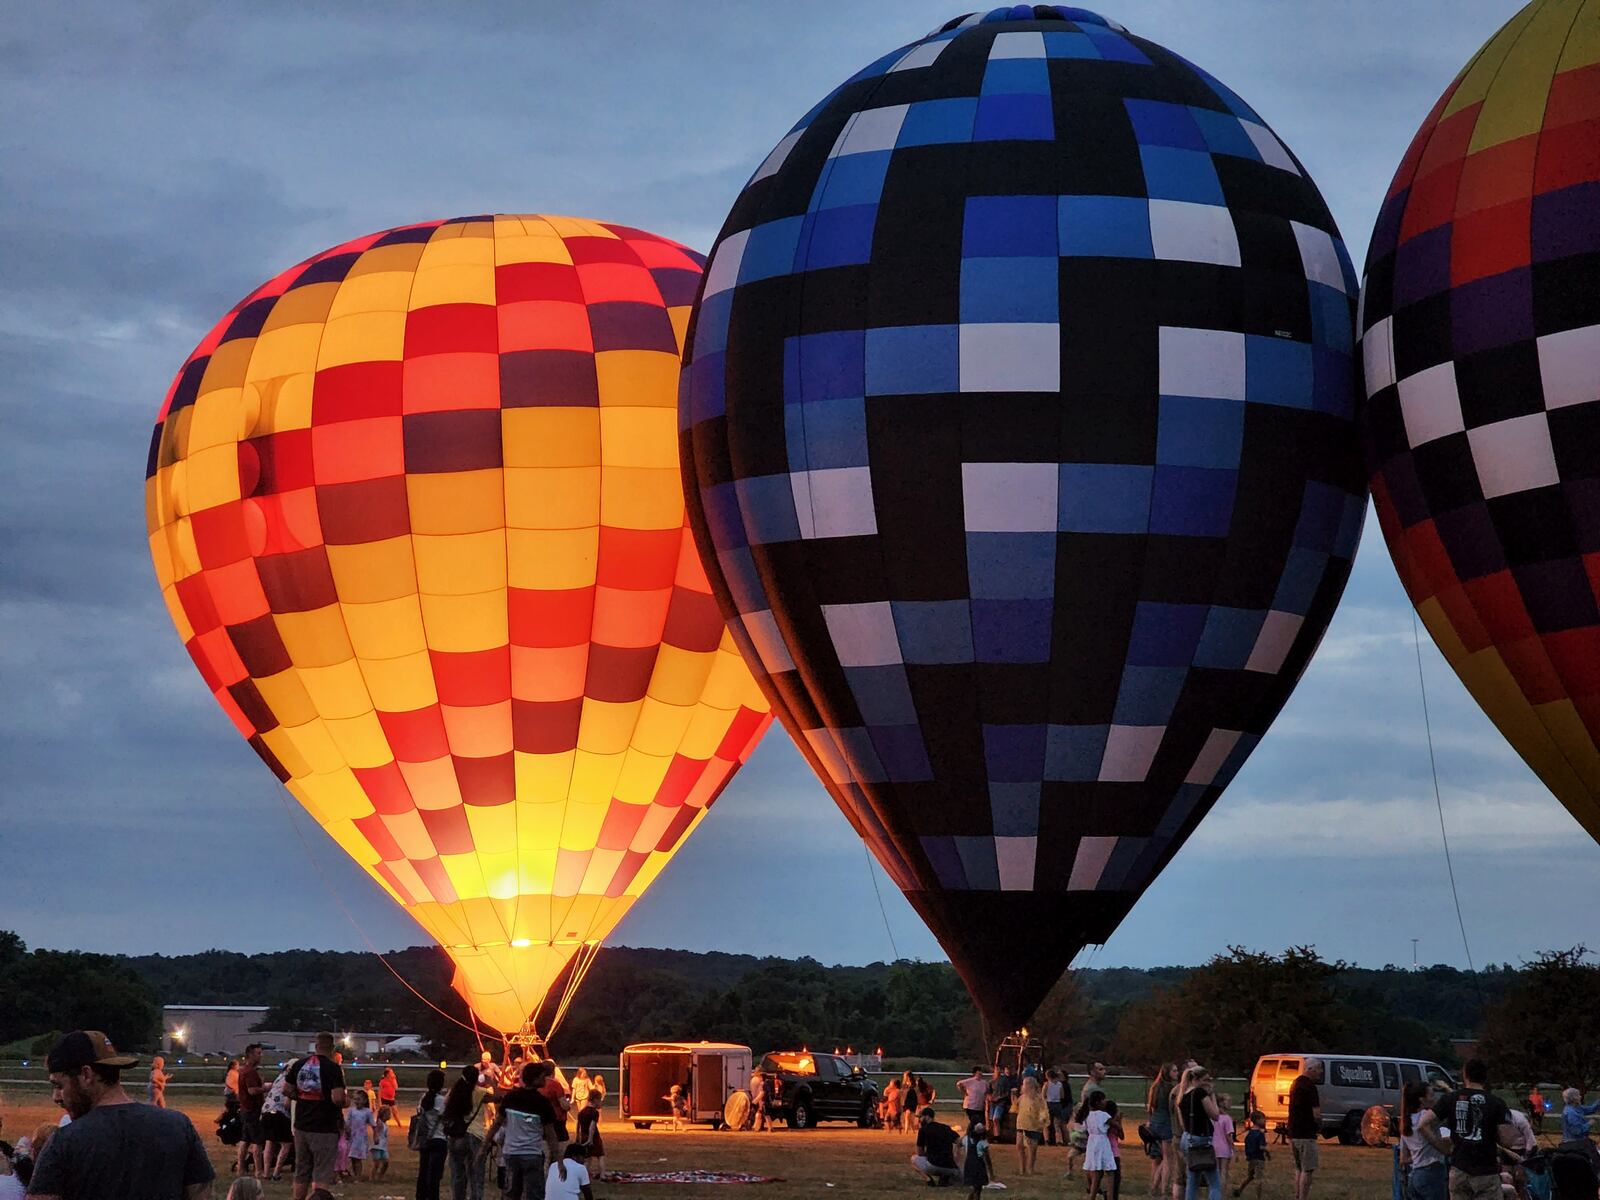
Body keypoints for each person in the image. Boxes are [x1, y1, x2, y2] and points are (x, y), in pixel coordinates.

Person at [26, 1029, 215, 1200]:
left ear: (86, 1075)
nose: (56, 1097)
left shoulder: (64, 1142)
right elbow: (201, 1193)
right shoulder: (178, 1126)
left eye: (59, 1086)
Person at [1432, 1058, 1516, 1200]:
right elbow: (1508, 1139)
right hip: (1486, 1171)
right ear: (1485, 1077)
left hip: (1459, 1168)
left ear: (1465, 1075)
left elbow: (1423, 1124)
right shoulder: (1496, 1103)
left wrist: (1440, 1146)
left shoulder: (1451, 1098)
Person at [480, 1062, 563, 1200]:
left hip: (511, 1153)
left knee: (512, 1193)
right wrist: (559, 1160)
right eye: (542, 1077)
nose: (545, 1080)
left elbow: (497, 1124)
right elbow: (551, 1135)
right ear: (534, 1079)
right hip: (532, 1153)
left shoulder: (511, 1097)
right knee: (534, 1193)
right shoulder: (542, 1103)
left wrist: (484, 1145)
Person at [284, 1033, 346, 1200]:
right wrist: (343, 1103)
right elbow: (338, 1098)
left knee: (301, 1170)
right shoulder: (333, 1068)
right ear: (332, 1049)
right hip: (324, 1127)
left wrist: (303, 1098)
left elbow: (286, 1090)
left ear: (316, 1047)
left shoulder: (299, 1064)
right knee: (322, 1171)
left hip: (302, 1125)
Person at [443, 1062, 491, 1200]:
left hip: (457, 1134)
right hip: (475, 1133)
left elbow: (445, 1104)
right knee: (476, 1173)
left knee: (458, 1172)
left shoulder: (456, 1090)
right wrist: (490, 1080)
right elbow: (499, 1096)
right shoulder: (480, 1093)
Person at [1178, 1065, 1222, 1200]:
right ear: (1196, 1079)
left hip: (1187, 1138)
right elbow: (1215, 1115)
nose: (1208, 1083)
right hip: (1201, 1139)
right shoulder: (1200, 1093)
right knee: (1214, 1182)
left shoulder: (1183, 1096)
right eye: (1206, 1080)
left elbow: (1182, 1123)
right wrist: (1212, 1095)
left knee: (1192, 1180)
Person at [1400, 1082, 1450, 1200]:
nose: (1435, 1099)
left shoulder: (1406, 1122)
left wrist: (1419, 1155)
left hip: (1415, 1176)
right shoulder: (1427, 1118)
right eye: (1432, 1095)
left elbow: (1404, 1158)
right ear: (1422, 1100)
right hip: (1432, 1174)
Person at [1287, 1057, 1323, 1200]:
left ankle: (1297, 1195)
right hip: (1306, 1133)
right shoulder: (1310, 1087)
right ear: (1310, 1069)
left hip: (1294, 1132)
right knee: (1307, 1169)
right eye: (1318, 1068)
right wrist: (1319, 1125)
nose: (1320, 1072)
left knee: (1298, 1167)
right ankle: (1303, 1197)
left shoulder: (1295, 1084)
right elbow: (1316, 1112)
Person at [414, 1067, 449, 1200]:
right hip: (439, 1139)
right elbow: (446, 1118)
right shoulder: (440, 1100)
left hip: (426, 1139)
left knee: (423, 1172)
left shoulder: (424, 1098)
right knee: (435, 1176)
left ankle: (421, 1196)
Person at [234, 1044, 266, 1181]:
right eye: (258, 1053)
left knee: (245, 1140)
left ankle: (241, 1168)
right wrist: (265, 1088)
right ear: (250, 1054)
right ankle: (259, 1171)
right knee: (257, 1141)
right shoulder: (250, 1072)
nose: (260, 1056)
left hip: (245, 1109)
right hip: (253, 1109)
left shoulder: (243, 1070)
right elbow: (252, 1090)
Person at [1149, 1064, 1180, 1199]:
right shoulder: (1170, 1089)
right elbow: (1174, 1108)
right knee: (1168, 1159)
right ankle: (1164, 1190)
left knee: (1162, 1158)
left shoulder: (1155, 1087)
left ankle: (1154, 1187)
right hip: (1165, 1124)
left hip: (1155, 1123)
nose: (1177, 1073)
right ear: (1168, 1073)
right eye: (1174, 1070)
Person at [912, 1106, 962, 1187]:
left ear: (927, 1116)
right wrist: (955, 1155)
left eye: (921, 1117)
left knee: (913, 1159)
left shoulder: (923, 1130)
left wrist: (928, 1154)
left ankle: (928, 1179)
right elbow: (959, 1141)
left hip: (933, 1166)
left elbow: (920, 1153)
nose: (919, 1120)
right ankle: (945, 1177)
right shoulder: (946, 1128)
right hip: (951, 1167)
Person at [259, 1068, 292, 1181]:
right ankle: (276, 1173)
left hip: (266, 1112)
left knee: (269, 1142)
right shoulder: (290, 1080)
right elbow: (287, 1104)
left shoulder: (279, 1077)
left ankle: (266, 1173)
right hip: (279, 1113)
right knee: (286, 1144)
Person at [1013, 1075, 1047, 1176]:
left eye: (1024, 1084)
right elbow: (1015, 1107)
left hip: (1033, 1126)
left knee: (1032, 1149)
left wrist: (1041, 1122)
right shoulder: (1022, 1097)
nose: (1023, 1086)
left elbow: (1043, 1112)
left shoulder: (1038, 1098)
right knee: (1019, 1146)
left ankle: (1030, 1169)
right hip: (1021, 1124)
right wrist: (1013, 1096)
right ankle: (1022, 1169)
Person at [1086, 1091, 1117, 1199]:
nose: (1105, 1102)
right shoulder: (1104, 1115)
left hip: (1092, 1142)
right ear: (1098, 1102)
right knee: (1110, 1171)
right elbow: (1115, 1125)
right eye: (1103, 1100)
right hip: (1102, 1142)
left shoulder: (1088, 1115)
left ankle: (1092, 1196)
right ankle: (1110, 1196)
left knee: (1096, 1172)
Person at [1233, 1111, 1268, 1200]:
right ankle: (1258, 1197)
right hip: (1259, 1159)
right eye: (1264, 1120)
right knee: (1259, 1178)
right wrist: (1267, 1152)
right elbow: (1261, 1147)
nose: (1265, 1122)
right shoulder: (1260, 1134)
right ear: (1258, 1120)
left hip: (1251, 1158)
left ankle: (1239, 1190)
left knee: (1250, 1176)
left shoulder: (1249, 1134)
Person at [575, 1088, 605, 1182]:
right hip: (593, 1137)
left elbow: (578, 1125)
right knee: (600, 1156)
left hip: (583, 1136)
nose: (600, 1103)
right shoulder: (594, 1112)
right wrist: (591, 1139)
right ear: (595, 1100)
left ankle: (584, 1176)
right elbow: (592, 1126)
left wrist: (577, 1136)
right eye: (600, 1100)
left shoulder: (581, 1112)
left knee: (587, 1158)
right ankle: (603, 1176)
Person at [344, 1090, 374, 1182]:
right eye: (355, 1099)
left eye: (358, 1099)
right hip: (352, 1138)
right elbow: (347, 1123)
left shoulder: (367, 1112)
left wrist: (376, 1135)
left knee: (357, 1158)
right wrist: (346, 1132)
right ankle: (355, 1174)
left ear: (364, 1100)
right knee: (353, 1157)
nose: (356, 1101)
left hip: (360, 1139)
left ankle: (358, 1176)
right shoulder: (351, 1111)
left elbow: (373, 1124)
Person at [961, 1120, 995, 1199]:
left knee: (974, 1188)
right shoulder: (983, 1142)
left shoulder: (966, 1139)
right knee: (978, 1189)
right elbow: (987, 1158)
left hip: (968, 1166)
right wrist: (991, 1172)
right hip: (979, 1167)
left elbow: (959, 1143)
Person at [1212, 1094, 1235, 1197]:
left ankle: (1214, 1192)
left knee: (1215, 1172)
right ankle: (1221, 1193)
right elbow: (1228, 1136)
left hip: (1213, 1147)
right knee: (1223, 1172)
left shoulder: (1212, 1118)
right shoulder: (1227, 1118)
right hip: (1224, 1148)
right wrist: (1233, 1148)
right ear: (1221, 1103)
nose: (1230, 1103)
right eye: (1227, 1101)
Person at [989, 1064, 1017, 1132]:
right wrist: (989, 1097)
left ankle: (997, 1136)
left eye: (999, 1069)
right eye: (996, 1069)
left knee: (996, 1119)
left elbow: (1007, 1093)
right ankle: (994, 1134)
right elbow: (989, 1091)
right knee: (992, 1120)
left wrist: (999, 1098)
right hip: (993, 1103)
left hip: (1001, 1102)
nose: (997, 1071)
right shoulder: (992, 1081)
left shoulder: (1005, 1080)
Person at [1045, 1069, 1066, 1149]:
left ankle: (1047, 1140)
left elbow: (1043, 1095)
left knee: (1047, 1124)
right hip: (1057, 1104)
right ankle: (1059, 1140)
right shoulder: (1059, 1084)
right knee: (1057, 1124)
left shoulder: (1047, 1084)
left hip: (1049, 1103)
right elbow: (1062, 1096)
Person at [370, 1107, 391, 1180]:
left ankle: (380, 1175)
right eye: (388, 1114)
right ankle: (372, 1177)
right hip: (377, 1146)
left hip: (383, 1147)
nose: (390, 1116)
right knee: (377, 1163)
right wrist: (375, 1138)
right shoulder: (379, 1123)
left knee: (386, 1162)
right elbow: (375, 1130)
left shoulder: (385, 1124)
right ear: (383, 1115)